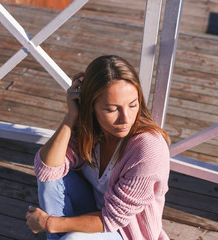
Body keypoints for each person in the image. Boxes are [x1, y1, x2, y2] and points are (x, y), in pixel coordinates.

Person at [26, 55, 171, 240]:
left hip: (125, 232)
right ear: (91, 105)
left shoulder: (148, 148)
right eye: (111, 109)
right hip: (92, 210)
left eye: (133, 105)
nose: (125, 118)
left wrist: (49, 224)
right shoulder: (90, 129)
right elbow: (46, 172)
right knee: (53, 176)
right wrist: (71, 116)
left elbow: (112, 218)